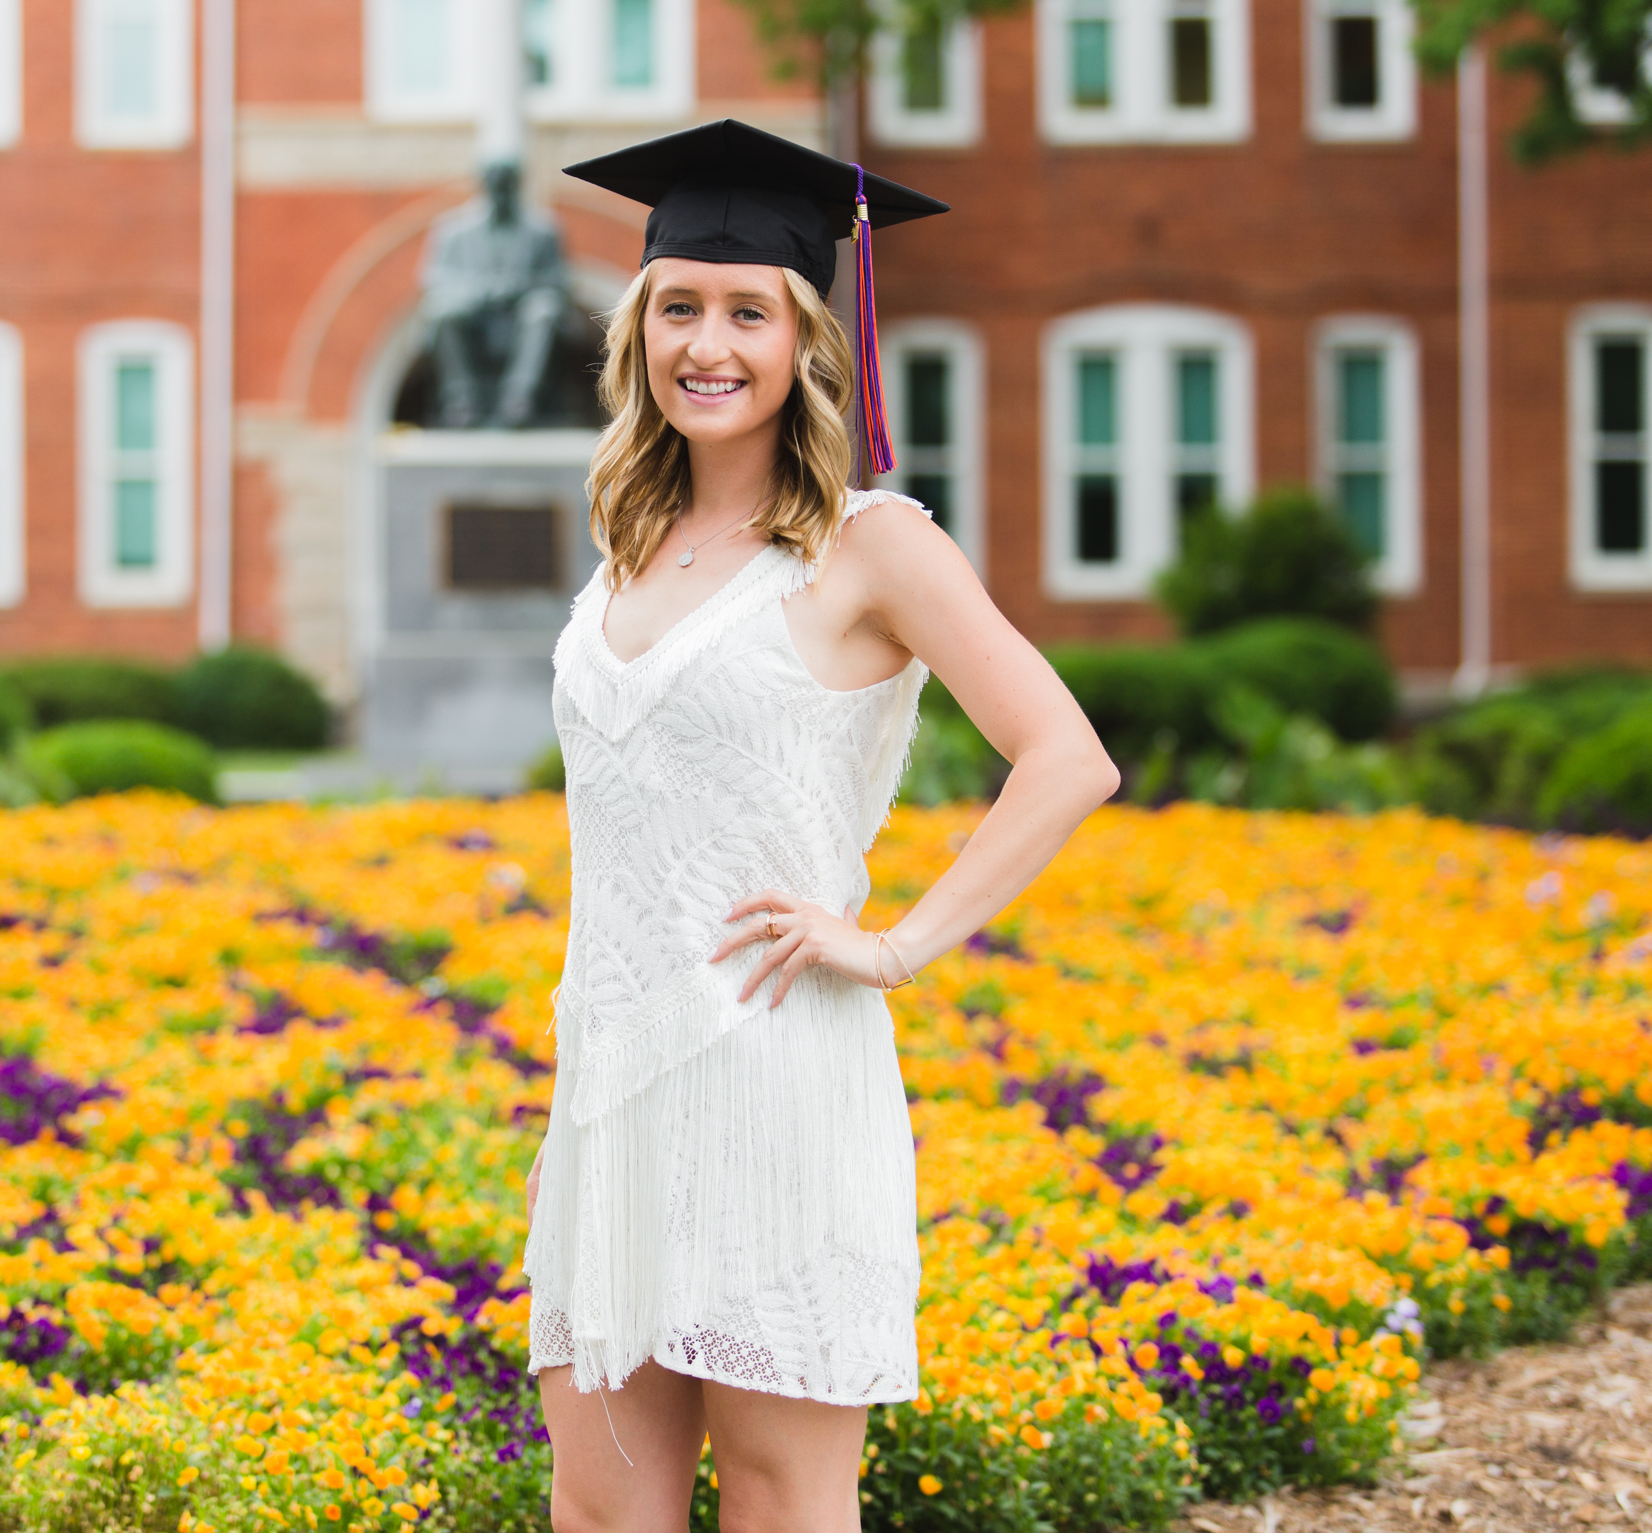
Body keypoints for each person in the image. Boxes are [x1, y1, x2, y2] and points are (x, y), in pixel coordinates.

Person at [519, 119, 1123, 1533]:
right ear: (639, 328)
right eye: (679, 307)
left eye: (749, 312)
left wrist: (899, 944)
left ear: (806, 339)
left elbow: (1065, 757)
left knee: (786, 1500)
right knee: (599, 1510)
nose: (707, 343)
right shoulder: (627, 542)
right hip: (612, 1083)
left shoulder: (872, 546)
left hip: (778, 1076)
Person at [418, 160, 571, 429]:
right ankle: (462, 400)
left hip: (519, 317)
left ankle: (519, 398)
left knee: (543, 310)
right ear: (484, 185)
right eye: (495, 184)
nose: (501, 191)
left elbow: (557, 280)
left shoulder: (542, 231)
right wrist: (479, 291)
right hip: (473, 317)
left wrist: (517, 288)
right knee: (444, 313)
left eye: (507, 184)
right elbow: (435, 280)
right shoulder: (454, 232)